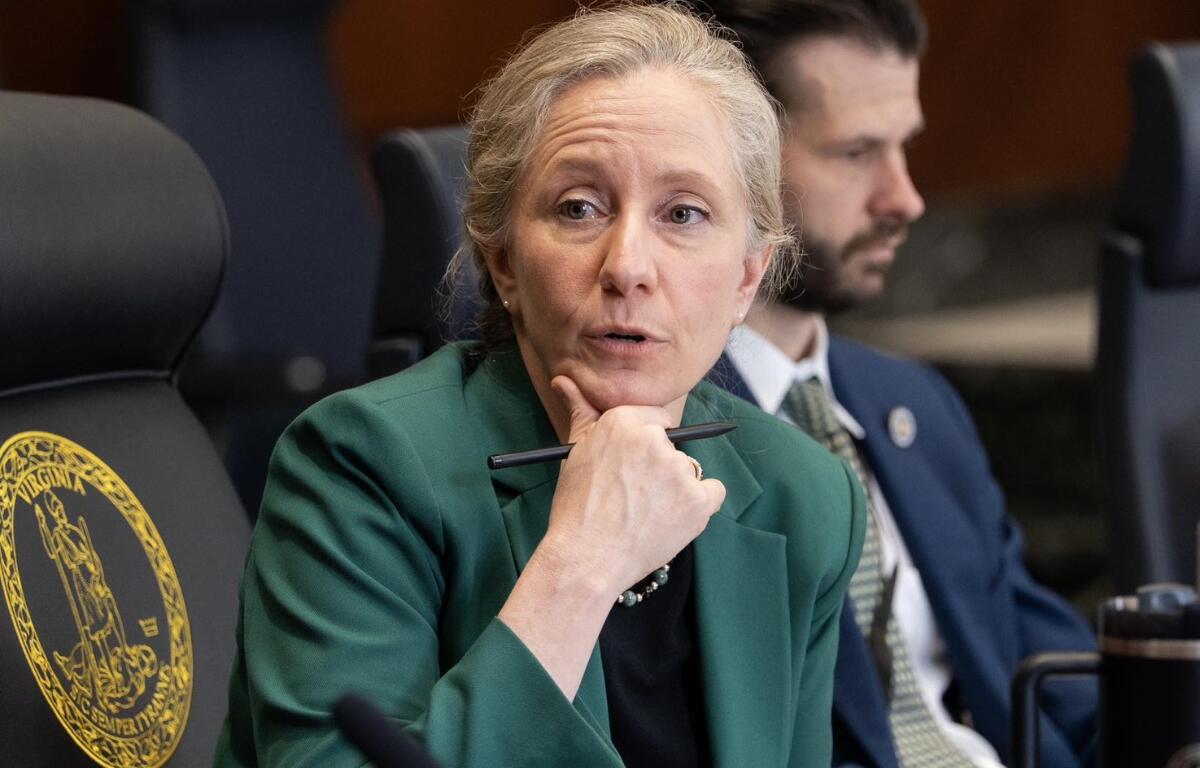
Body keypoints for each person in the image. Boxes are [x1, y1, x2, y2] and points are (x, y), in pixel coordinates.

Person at [214, 4, 866, 766]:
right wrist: (583, 561)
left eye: (683, 213)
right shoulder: (359, 468)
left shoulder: (805, 493)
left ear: (747, 280)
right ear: (503, 264)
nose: (627, 266)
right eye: (578, 208)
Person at [699, 1, 1098, 767]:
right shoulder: (667, 432)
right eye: (855, 153)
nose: (905, 198)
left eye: (902, 149)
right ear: (730, 158)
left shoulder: (910, 402)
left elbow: (1059, 682)